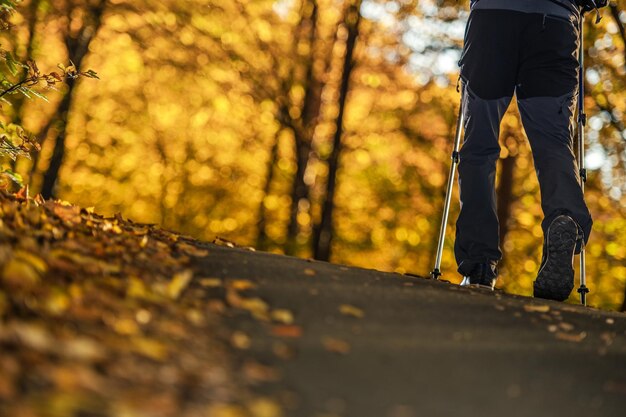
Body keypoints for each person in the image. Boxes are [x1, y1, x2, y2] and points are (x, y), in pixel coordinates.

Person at [454, 0, 607, 301]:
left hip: (492, 19)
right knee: (553, 141)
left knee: (479, 145)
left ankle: (479, 264)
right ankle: (564, 219)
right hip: (555, 22)